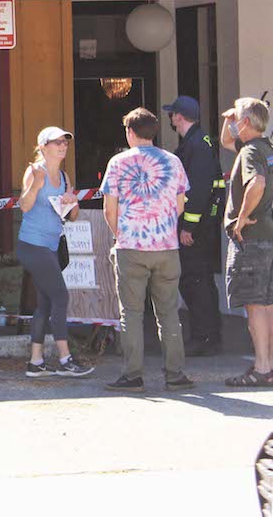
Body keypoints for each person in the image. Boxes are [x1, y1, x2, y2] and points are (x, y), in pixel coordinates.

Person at [100, 108, 195, 393]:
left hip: (132, 246)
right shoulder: (173, 162)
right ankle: (175, 374)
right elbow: (180, 205)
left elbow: (109, 208)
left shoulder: (118, 163)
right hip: (167, 247)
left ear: (130, 132)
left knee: (131, 313)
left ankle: (133, 375)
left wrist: (120, 235)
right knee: (168, 313)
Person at [17, 126, 94, 378]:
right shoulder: (34, 172)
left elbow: (71, 217)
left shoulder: (64, 177)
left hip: (51, 245)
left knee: (46, 303)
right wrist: (36, 186)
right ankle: (64, 359)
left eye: (65, 142)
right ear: (43, 147)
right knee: (61, 296)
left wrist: (73, 203)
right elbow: (24, 207)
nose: (62, 146)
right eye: (56, 142)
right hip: (32, 245)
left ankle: (36, 362)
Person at [163, 95, 226, 356]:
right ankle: (206, 335)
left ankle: (205, 338)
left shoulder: (197, 145)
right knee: (199, 281)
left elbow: (199, 190)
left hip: (196, 228)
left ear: (179, 116)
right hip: (203, 224)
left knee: (195, 281)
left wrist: (188, 227)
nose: (170, 118)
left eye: (172, 114)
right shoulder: (197, 142)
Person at [219, 97, 273, 388]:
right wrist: (231, 116)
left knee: (255, 305)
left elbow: (258, 183)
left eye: (238, 118)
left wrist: (240, 218)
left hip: (251, 240)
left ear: (248, 123)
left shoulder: (251, 152)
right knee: (268, 304)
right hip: (269, 238)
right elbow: (227, 141)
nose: (234, 123)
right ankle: (269, 364)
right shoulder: (265, 148)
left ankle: (262, 368)